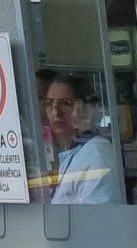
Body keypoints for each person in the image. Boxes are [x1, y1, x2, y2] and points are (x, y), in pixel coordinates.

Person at [39, 71, 118, 204]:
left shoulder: (96, 159)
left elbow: (98, 220)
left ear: (86, 109)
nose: (55, 113)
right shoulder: (75, 151)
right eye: (49, 103)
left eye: (66, 103)